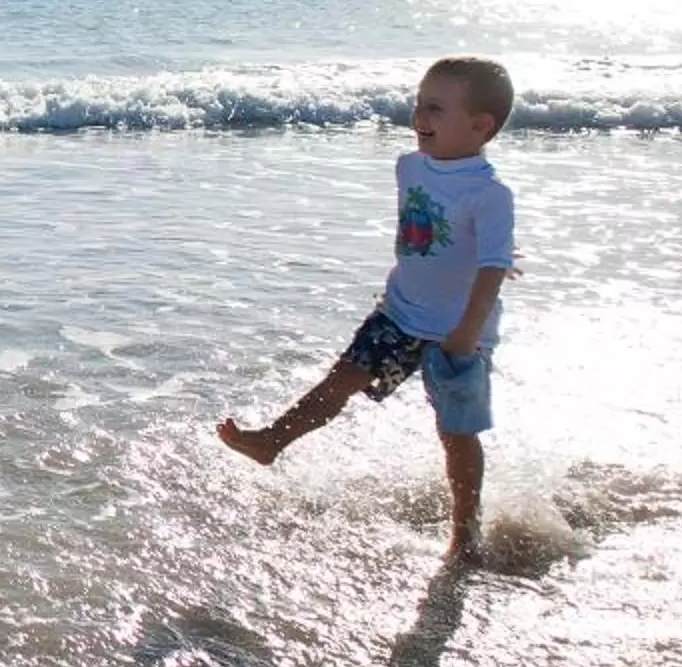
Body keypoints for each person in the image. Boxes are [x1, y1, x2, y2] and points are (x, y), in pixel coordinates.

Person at [216, 56, 518, 555]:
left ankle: (465, 534)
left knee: (455, 434)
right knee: (341, 379)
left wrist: (469, 326)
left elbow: (491, 266)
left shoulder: (490, 195)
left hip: (458, 333)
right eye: (419, 104)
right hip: (400, 312)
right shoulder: (410, 166)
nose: (419, 116)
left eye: (436, 108)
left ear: (480, 125)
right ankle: (272, 441)